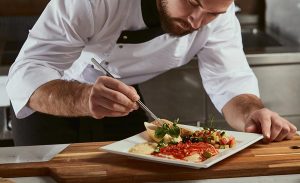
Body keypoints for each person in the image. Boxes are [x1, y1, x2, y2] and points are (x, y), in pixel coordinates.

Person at [7, 0, 297, 146]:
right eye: (192, 2)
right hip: (51, 102)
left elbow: (230, 83)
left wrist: (251, 115)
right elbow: (26, 72)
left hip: (123, 102)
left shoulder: (216, 15)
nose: (198, 21)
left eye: (212, 13)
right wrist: (84, 98)